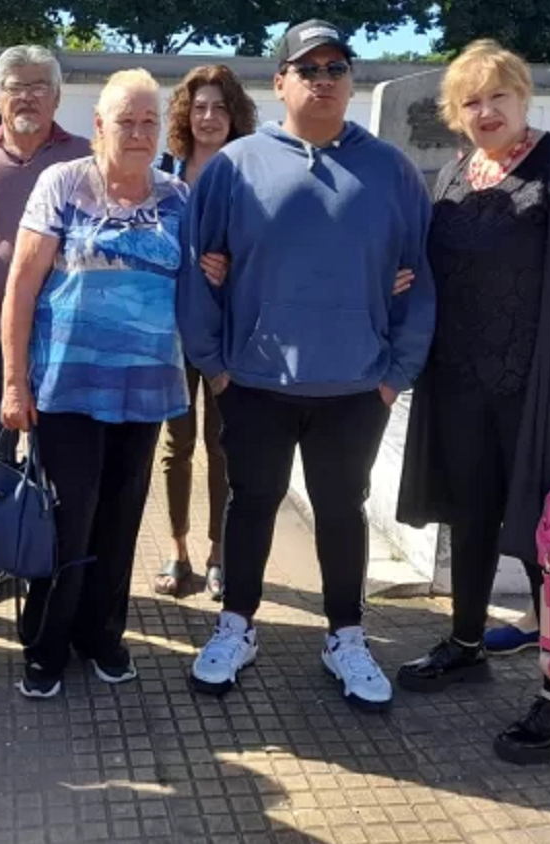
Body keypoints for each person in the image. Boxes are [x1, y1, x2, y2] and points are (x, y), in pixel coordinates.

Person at [178, 20, 436, 710]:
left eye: (337, 69)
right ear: (281, 82)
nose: (324, 80)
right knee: (251, 502)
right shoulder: (235, 167)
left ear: (351, 82)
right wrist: (215, 363)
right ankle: (236, 625)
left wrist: (394, 375)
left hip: (356, 386)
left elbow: (423, 273)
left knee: (340, 510)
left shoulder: (389, 170)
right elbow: (196, 270)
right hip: (255, 381)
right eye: (309, 68)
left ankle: (347, 636)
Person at [394, 41, 550, 765]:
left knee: (548, 542)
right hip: (460, 381)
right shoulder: (455, 174)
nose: (486, 111)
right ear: (455, 115)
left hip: (543, 390)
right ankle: (467, 641)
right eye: (471, 101)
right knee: (469, 519)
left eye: (499, 96)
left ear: (524, 96)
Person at [1, 68, 189, 699]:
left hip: (145, 392)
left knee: (121, 519)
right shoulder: (63, 184)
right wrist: (12, 383)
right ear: (99, 126)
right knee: (66, 520)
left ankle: (102, 635)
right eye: (124, 120)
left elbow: (208, 277)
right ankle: (46, 645)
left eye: (148, 121)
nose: (137, 132)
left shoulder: (177, 198)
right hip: (67, 391)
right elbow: (21, 288)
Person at [0, 45, 89, 607]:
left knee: (61, 455)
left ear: (56, 95)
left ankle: (53, 553)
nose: (26, 96)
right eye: (15, 86)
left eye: (39, 86)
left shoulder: (82, 158)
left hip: (63, 338)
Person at [151, 64, 256, 601]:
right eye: (199, 107)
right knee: (177, 444)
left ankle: (219, 553)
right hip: (169, 330)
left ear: (234, 113)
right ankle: (178, 550)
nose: (209, 116)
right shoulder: (163, 174)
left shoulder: (251, 171)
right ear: (185, 116)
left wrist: (234, 265)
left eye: (219, 106)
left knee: (222, 444)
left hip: (228, 332)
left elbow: (267, 248)